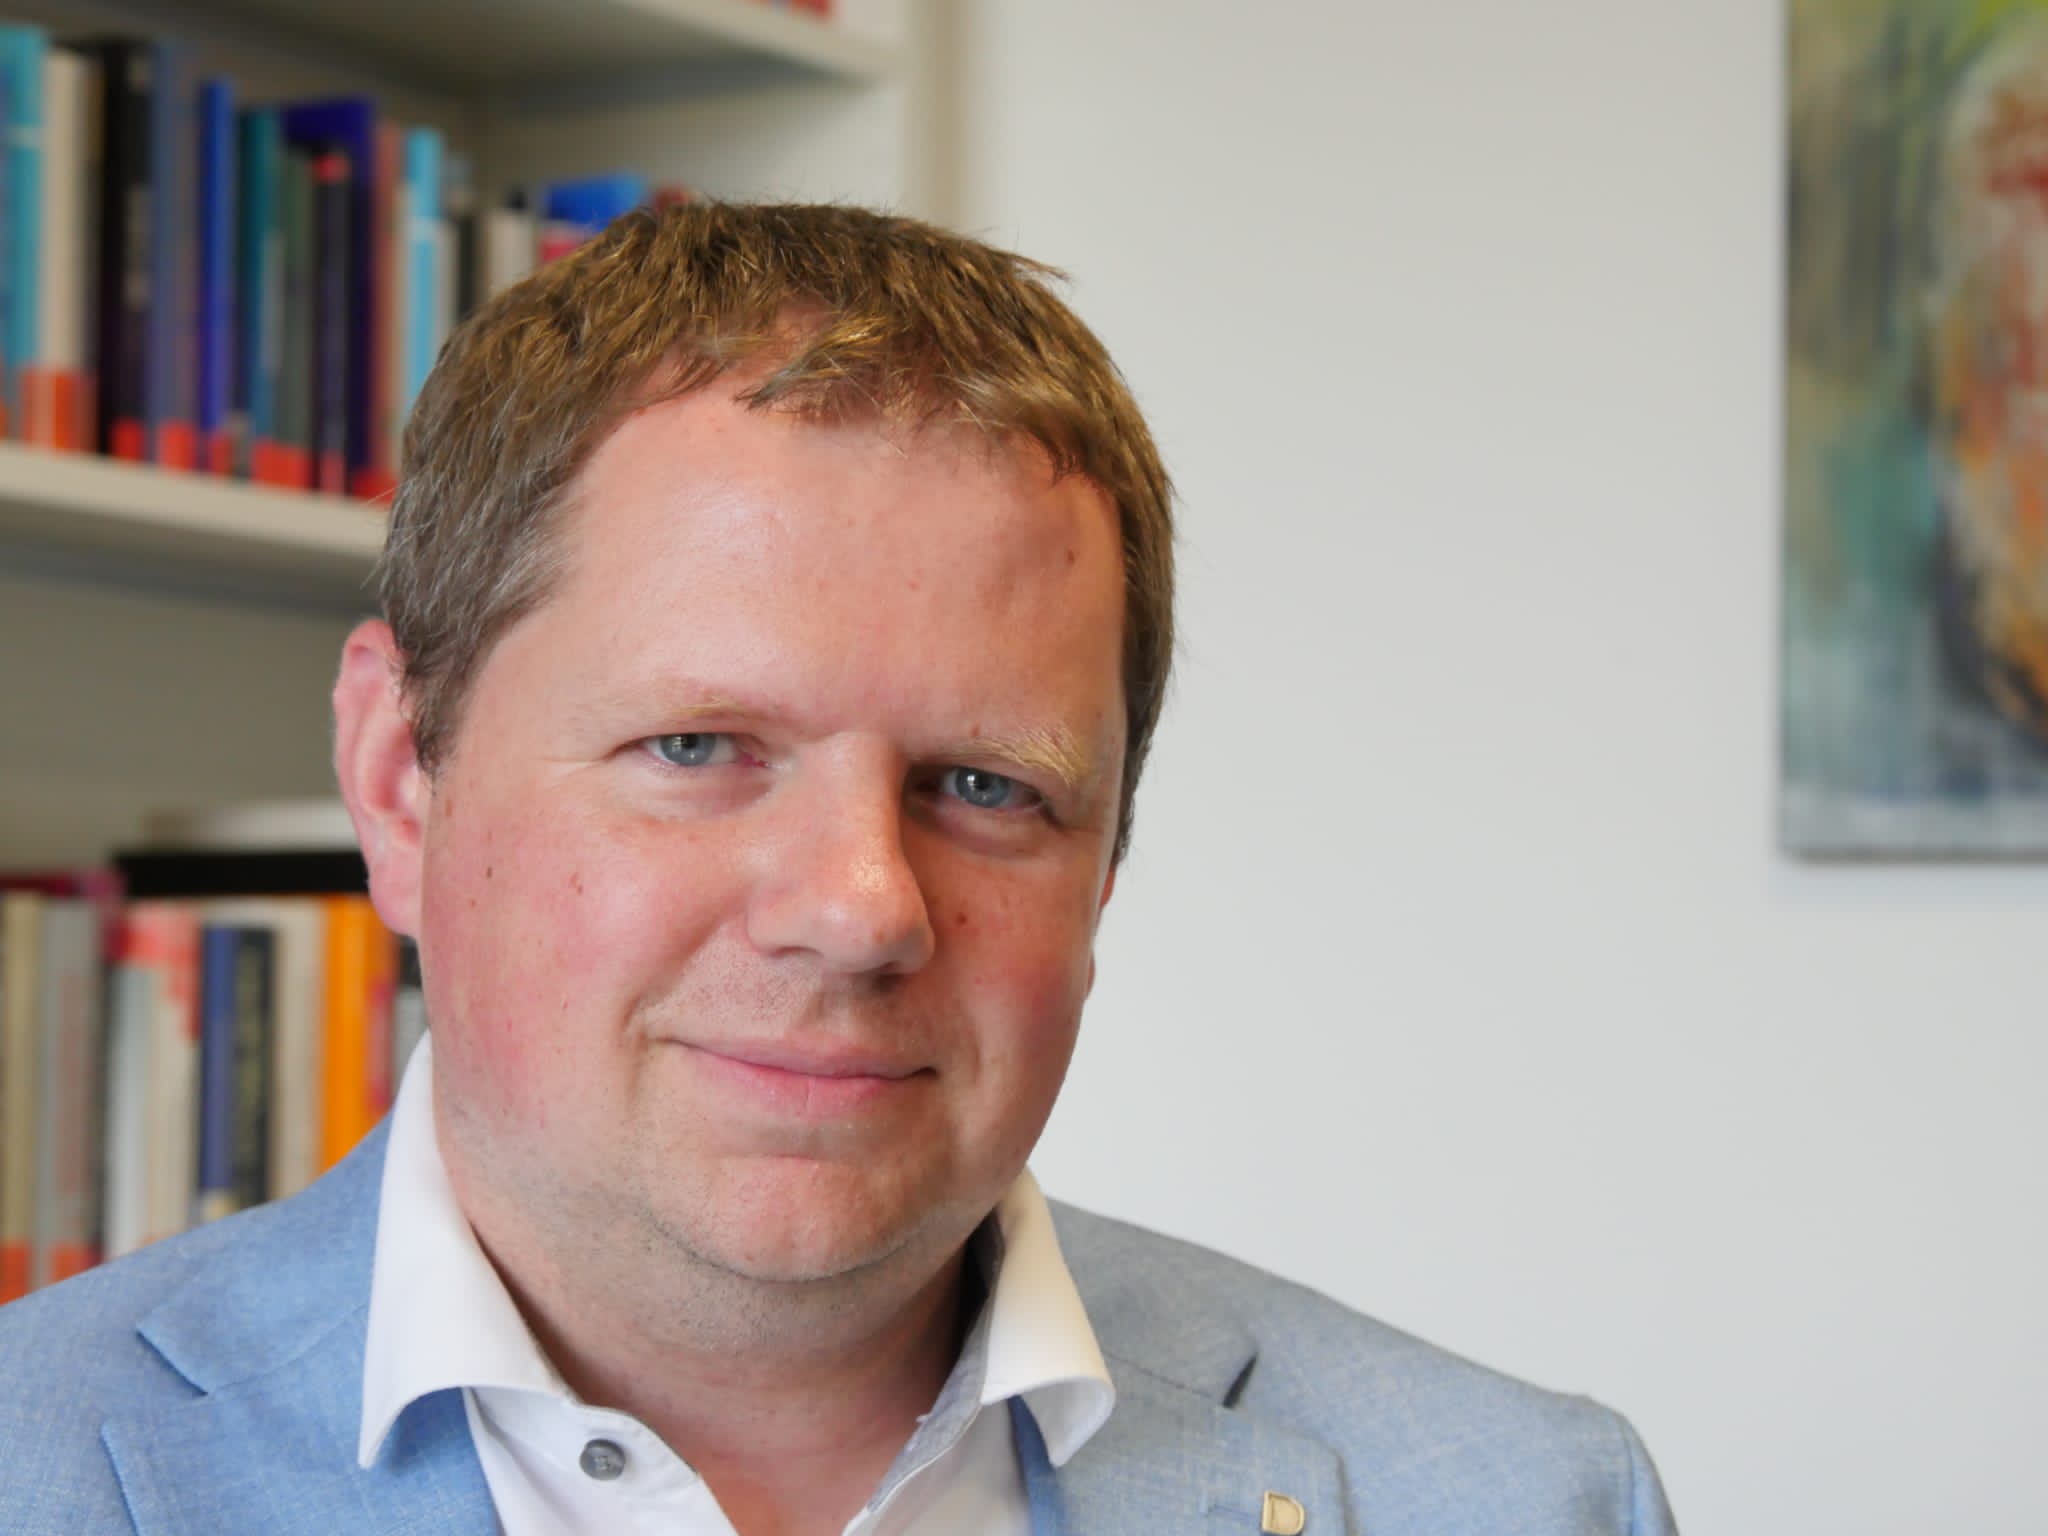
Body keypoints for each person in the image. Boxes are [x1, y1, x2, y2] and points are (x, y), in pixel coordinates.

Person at [0, 202, 1676, 1535]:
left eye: (986, 786)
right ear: (398, 780)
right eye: (698, 748)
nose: (862, 906)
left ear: (1106, 862)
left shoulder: (1530, 1501)